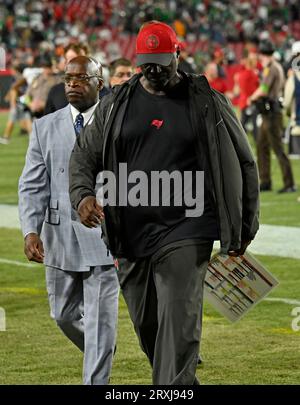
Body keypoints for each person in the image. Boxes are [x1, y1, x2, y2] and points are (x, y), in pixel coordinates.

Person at [69, 21, 259, 385]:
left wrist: (244, 226)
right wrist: (83, 195)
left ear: (178, 52)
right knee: (149, 326)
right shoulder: (116, 104)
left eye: (160, 60)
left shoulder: (206, 102)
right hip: (129, 232)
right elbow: (83, 156)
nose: (152, 69)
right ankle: (179, 384)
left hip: (188, 227)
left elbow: (244, 161)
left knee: (179, 316)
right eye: (146, 62)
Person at [18, 56, 119, 385]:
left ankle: (96, 378)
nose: (72, 84)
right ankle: (100, 348)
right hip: (59, 238)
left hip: (105, 235)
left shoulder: (116, 122)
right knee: (62, 315)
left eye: (81, 79)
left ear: (99, 84)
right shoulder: (44, 127)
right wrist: (31, 230)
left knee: (101, 322)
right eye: (68, 79)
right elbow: (33, 185)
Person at [249, 40, 296, 193]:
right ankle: (265, 180)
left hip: (272, 113)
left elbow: (263, 89)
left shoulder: (272, 68)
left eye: (261, 55)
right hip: (268, 113)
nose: (260, 58)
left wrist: (251, 97)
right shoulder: (272, 67)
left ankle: (289, 183)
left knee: (277, 148)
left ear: (265, 55)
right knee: (262, 146)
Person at [44, 43, 89, 114]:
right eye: (72, 59)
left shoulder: (99, 91)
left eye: (80, 59)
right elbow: (47, 121)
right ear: (65, 63)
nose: (76, 63)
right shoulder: (55, 91)